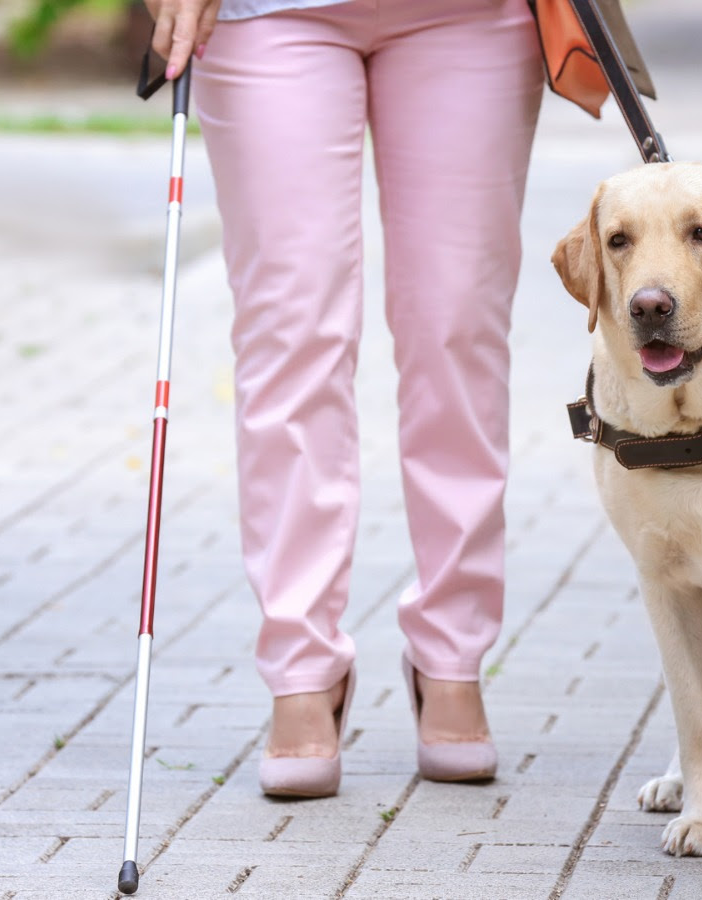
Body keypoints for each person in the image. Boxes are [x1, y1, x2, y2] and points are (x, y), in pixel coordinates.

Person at [144, 0, 544, 797]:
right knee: (291, 330)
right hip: (265, 11)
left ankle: (452, 653)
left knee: (456, 323)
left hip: (468, 14)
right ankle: (300, 668)